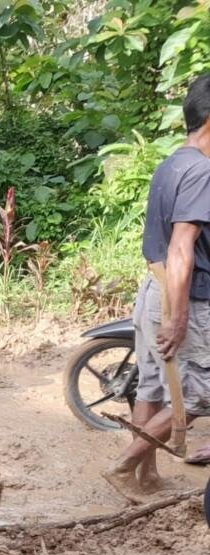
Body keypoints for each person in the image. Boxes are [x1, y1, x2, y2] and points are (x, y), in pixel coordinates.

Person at [104, 74, 210, 501]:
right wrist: (179, 317)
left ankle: (145, 476)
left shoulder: (173, 163)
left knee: (149, 386)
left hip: (154, 288)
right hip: (185, 295)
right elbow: (183, 247)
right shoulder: (203, 170)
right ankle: (123, 466)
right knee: (199, 394)